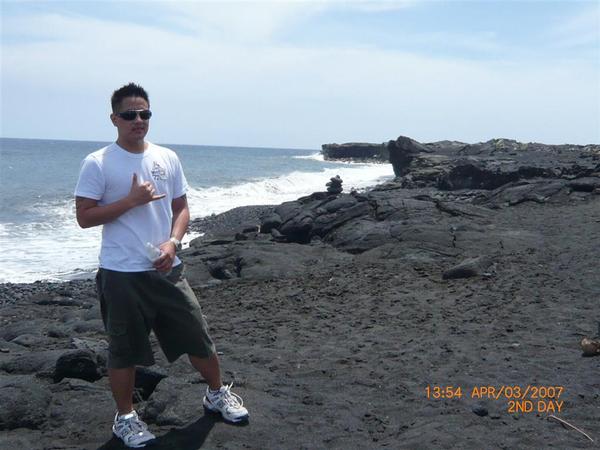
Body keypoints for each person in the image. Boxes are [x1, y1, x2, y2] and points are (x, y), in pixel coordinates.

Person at [75, 83, 248, 448]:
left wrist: (174, 242)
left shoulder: (167, 157)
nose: (138, 120)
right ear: (114, 119)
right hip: (121, 274)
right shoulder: (98, 162)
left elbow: (181, 208)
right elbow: (85, 217)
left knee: (197, 335)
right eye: (129, 114)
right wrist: (130, 201)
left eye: (145, 113)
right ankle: (125, 419)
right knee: (124, 350)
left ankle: (216, 394)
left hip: (168, 269)